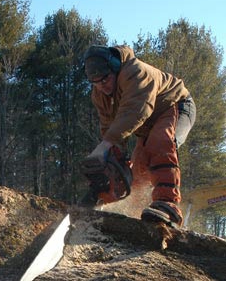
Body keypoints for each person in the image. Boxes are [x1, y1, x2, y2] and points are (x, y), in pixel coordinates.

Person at [81, 44, 196, 226]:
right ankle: (135, 214)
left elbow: (135, 111)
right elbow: (108, 126)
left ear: (115, 67)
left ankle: (168, 204)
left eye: (105, 80)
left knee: (159, 143)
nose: (102, 86)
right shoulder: (99, 94)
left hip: (174, 106)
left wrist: (106, 144)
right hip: (146, 126)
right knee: (138, 171)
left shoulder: (137, 73)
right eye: (96, 83)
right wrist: (112, 156)